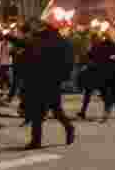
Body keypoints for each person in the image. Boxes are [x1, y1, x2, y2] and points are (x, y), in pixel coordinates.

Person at [20, 21, 75, 149]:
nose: (40, 29)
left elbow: (67, 62)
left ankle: (68, 128)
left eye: (43, 27)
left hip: (48, 80)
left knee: (49, 111)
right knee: (45, 111)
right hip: (45, 80)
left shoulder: (53, 41)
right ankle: (37, 140)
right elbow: (27, 45)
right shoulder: (46, 39)